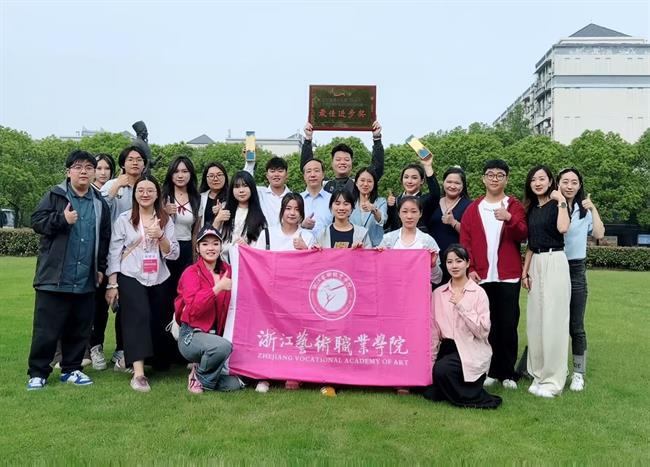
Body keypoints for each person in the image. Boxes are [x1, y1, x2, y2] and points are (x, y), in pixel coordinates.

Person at [26, 149, 111, 390]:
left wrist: (100, 268)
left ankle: (72, 369)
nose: (83, 171)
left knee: (79, 327)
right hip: (54, 276)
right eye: (78, 167)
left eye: (88, 167)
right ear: (68, 171)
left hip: (85, 277)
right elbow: (37, 222)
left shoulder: (99, 202)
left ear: (93, 173)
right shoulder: (55, 195)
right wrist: (62, 220)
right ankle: (38, 373)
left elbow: (104, 238)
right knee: (46, 329)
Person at [105, 176, 180, 392]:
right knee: (137, 317)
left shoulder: (165, 220)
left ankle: (139, 360)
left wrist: (161, 236)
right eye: (140, 190)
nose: (145, 194)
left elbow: (174, 253)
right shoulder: (124, 219)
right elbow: (114, 252)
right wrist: (112, 284)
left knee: (158, 320)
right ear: (135, 194)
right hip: (131, 274)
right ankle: (138, 374)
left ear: (157, 194)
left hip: (159, 276)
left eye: (150, 190)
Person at [459, 159, 528, 390]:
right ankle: (489, 370)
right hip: (482, 276)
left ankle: (507, 372)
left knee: (508, 324)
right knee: (487, 326)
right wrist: (470, 269)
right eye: (490, 174)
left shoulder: (514, 205)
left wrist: (509, 219)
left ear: (506, 179)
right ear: (483, 178)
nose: (495, 179)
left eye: (500, 175)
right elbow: (465, 241)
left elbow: (523, 234)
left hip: (508, 276)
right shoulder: (474, 208)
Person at [423, 244, 502, 409]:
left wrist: (462, 305)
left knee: (442, 370)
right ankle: (447, 386)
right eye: (449, 262)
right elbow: (433, 333)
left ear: (467, 263)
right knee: (430, 391)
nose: (454, 266)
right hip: (447, 347)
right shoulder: (438, 293)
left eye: (459, 261)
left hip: (470, 347)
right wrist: (429, 364)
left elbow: (482, 332)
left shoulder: (478, 293)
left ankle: (473, 395)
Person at [254, 193, 314, 394]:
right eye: (288, 208)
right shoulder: (267, 234)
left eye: (297, 209)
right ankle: (264, 375)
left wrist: (305, 250)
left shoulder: (307, 236)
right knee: (269, 334)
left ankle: (293, 372)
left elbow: (315, 266)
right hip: (270, 295)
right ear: (282, 211)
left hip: (297, 296)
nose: (292, 213)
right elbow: (257, 262)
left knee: (295, 335)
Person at [174, 226, 244, 394]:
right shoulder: (191, 272)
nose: (210, 248)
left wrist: (245, 251)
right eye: (205, 244)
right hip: (191, 335)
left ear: (221, 246)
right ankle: (199, 376)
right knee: (222, 347)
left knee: (237, 383)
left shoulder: (228, 270)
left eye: (215, 244)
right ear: (198, 248)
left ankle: (206, 380)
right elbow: (193, 309)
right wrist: (217, 288)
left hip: (218, 334)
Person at [521, 165, 571, 398]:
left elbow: (563, 228)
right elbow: (531, 244)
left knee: (554, 321)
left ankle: (554, 380)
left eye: (542, 178)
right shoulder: (531, 209)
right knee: (536, 321)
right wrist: (525, 272)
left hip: (555, 260)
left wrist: (561, 199)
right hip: (536, 264)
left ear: (551, 181)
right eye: (534, 179)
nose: (538, 183)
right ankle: (538, 374)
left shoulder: (558, 204)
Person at [100, 145, 147, 371]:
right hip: (111, 249)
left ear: (144, 164)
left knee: (130, 304)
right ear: (123, 163)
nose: (135, 162)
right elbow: (100, 210)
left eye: (139, 159)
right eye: (130, 159)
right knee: (107, 301)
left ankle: (123, 349)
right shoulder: (111, 185)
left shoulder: (146, 186)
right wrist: (116, 186)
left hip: (139, 254)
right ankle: (96, 347)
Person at [558, 168, 605, 392]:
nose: (569, 186)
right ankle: (547, 368)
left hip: (576, 269)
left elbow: (598, 234)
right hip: (554, 266)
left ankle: (578, 373)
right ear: (558, 183)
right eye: (565, 181)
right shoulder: (552, 206)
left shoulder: (584, 210)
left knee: (576, 326)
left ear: (579, 186)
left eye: (574, 182)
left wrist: (593, 208)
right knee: (549, 322)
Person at [88, 153, 117, 371]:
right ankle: (85, 348)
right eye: (98, 168)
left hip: (112, 256)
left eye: (107, 169)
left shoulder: (119, 191)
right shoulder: (88, 193)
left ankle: (98, 346)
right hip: (91, 256)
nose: (103, 173)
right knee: (87, 305)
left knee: (105, 306)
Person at [300, 121, 384, 193]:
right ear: (332, 163)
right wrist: (308, 139)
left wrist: (377, 138)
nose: (342, 162)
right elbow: (307, 166)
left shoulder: (359, 184)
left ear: (352, 162)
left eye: (346, 160)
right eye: (338, 159)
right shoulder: (324, 185)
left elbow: (376, 169)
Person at [380, 196, 442, 285]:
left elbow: (437, 279)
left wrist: (432, 265)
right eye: (405, 211)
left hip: (418, 290)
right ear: (399, 213)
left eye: (414, 211)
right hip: (393, 289)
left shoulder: (427, 241)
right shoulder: (388, 239)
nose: (409, 216)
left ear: (420, 214)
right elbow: (379, 270)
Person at [162, 155, 201, 292]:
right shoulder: (163, 197)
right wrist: (165, 213)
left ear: (191, 174)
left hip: (186, 248)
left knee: (185, 290)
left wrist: (195, 256)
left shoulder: (197, 199)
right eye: (176, 171)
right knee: (166, 291)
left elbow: (195, 232)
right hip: (165, 247)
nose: (180, 175)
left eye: (185, 171)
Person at [428, 167, 472, 287]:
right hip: (434, 261)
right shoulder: (433, 203)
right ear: (443, 183)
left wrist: (454, 222)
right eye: (449, 182)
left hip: (457, 260)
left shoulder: (469, 206)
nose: (452, 186)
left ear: (463, 185)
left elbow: (472, 234)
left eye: (457, 183)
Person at [214, 170, 269, 258]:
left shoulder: (260, 215)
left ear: (252, 188)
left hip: (247, 262)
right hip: (224, 262)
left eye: (245, 186)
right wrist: (217, 220)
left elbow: (261, 249)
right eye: (237, 186)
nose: (241, 190)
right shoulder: (225, 211)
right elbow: (212, 238)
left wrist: (246, 247)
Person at [385, 157, 439, 233]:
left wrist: (427, 166)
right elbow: (386, 225)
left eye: (414, 178)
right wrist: (389, 207)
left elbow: (435, 194)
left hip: (419, 239)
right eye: (406, 177)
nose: (409, 181)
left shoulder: (425, 200)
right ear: (402, 179)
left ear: (422, 181)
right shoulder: (394, 201)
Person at [244, 156, 291, 228]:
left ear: (286, 175)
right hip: (263, 234)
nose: (276, 174)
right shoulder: (260, 193)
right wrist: (250, 163)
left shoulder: (293, 197)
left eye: (280, 171)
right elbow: (246, 182)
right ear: (267, 175)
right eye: (272, 171)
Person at [350, 167, 387, 247]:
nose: (365, 184)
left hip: (375, 248)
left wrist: (374, 210)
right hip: (354, 247)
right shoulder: (350, 203)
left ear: (374, 184)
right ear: (356, 183)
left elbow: (382, 220)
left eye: (369, 181)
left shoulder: (381, 202)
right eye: (362, 180)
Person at [300, 159, 332, 238]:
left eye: (316, 171)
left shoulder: (333, 199)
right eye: (308, 171)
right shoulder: (297, 200)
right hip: (302, 244)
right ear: (304, 176)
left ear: (323, 174)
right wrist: (302, 225)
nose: (312, 175)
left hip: (326, 244)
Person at [198, 162, 229, 227]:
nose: (215, 179)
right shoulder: (200, 198)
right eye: (211, 176)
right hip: (204, 233)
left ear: (225, 177)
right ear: (205, 178)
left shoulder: (232, 197)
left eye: (219, 175)